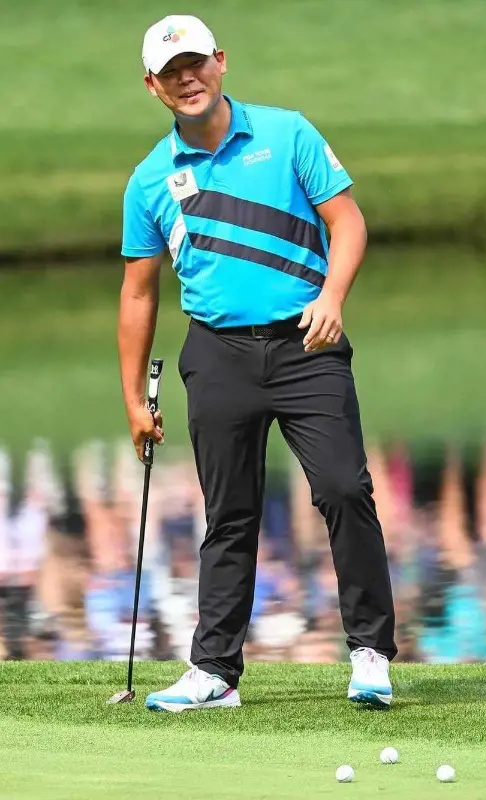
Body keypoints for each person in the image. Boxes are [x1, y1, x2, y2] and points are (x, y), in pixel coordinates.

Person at [118, 14, 397, 712]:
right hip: (216, 353)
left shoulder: (287, 133)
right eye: (171, 71)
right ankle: (215, 672)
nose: (188, 79)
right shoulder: (151, 179)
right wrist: (132, 398)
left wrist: (333, 295)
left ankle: (370, 654)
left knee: (342, 488)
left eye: (197, 63)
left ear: (221, 61)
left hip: (308, 342)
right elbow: (136, 292)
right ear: (152, 85)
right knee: (229, 514)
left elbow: (349, 221)